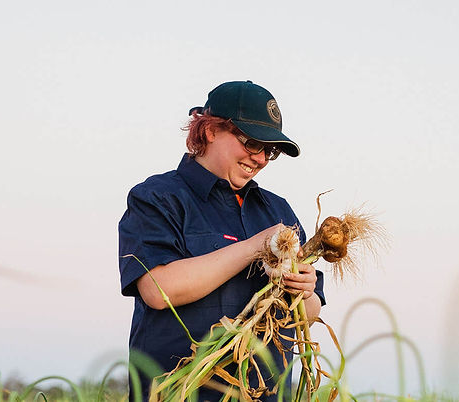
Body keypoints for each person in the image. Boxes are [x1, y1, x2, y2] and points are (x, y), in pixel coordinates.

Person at [118, 80, 325, 401]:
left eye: (269, 150)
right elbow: (158, 291)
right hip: (180, 392)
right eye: (252, 143)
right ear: (211, 130)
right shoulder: (157, 197)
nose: (260, 159)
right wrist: (254, 247)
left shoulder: (278, 210)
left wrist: (304, 289)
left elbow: (309, 313)